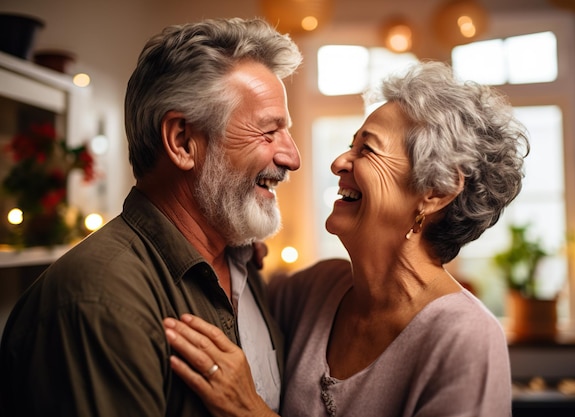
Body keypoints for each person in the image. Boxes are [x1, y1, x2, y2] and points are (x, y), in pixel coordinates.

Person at [162, 60, 530, 417]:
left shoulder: (466, 338)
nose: (339, 162)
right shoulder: (312, 291)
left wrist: (248, 412)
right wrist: (233, 240)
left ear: (437, 189)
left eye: (366, 149)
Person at [0, 17, 302, 417]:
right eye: (268, 132)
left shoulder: (244, 264)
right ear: (182, 141)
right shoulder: (99, 302)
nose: (292, 158)